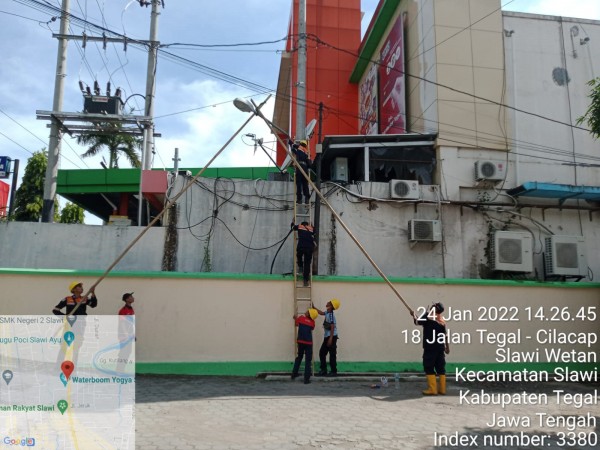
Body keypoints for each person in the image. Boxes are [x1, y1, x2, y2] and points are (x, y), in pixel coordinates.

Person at [412, 302, 450, 395]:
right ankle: (442, 389)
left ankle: (432, 389)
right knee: (441, 368)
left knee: (428, 367)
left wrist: (413, 315)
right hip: (440, 349)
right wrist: (447, 347)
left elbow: (417, 322)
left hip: (430, 348)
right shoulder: (441, 321)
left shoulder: (428, 317)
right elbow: (445, 336)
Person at [314, 298, 341, 377]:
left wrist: (330, 338)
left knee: (332, 354)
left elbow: (332, 326)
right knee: (322, 353)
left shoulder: (331, 315)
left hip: (331, 336)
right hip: (327, 336)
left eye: (329, 302)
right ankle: (324, 370)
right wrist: (314, 308)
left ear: (331, 306)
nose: (328, 302)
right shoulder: (327, 312)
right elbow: (321, 313)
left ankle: (333, 371)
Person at [292, 308, 318, 384]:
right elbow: (312, 328)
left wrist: (295, 318)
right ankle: (306, 379)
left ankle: (294, 374)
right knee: (308, 360)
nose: (306, 311)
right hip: (308, 343)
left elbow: (296, 324)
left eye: (307, 311)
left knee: (299, 357)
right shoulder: (312, 322)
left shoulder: (301, 318)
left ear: (309, 314)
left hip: (300, 341)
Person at [291, 221, 315, 287]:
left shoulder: (299, 226)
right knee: (307, 264)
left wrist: (292, 223)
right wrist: (312, 226)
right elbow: (314, 233)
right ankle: (305, 280)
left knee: (299, 256)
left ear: (302, 224)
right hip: (309, 248)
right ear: (307, 225)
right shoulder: (311, 228)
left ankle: (300, 267)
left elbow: (293, 227)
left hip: (301, 247)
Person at [288, 139, 311, 204]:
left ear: (300, 144)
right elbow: (309, 164)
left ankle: (299, 199)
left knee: (299, 184)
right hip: (305, 168)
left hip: (300, 167)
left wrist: (291, 143)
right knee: (305, 184)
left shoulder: (299, 148)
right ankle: (307, 198)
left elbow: (293, 148)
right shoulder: (306, 152)